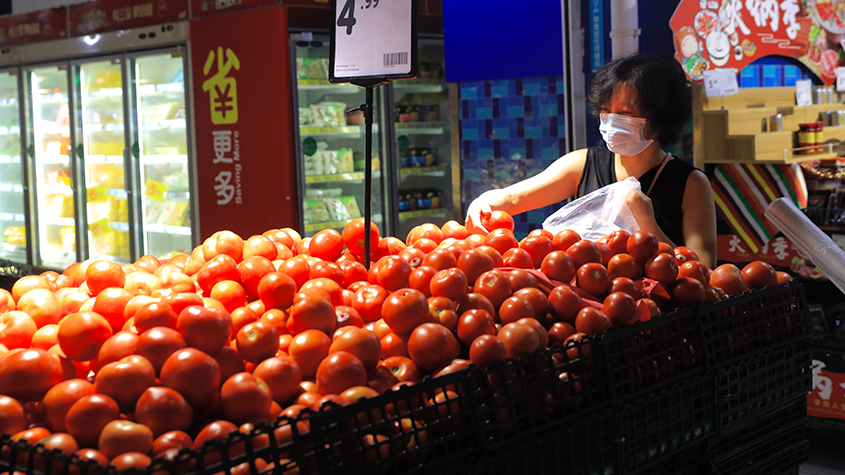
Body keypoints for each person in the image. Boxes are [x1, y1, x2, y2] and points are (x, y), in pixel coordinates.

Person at [465, 54, 717, 268]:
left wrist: (647, 222)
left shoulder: (690, 183)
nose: (611, 119)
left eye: (625, 112)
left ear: (661, 117)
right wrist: (484, 202)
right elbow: (514, 198)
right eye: (606, 110)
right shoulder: (582, 164)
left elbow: (703, 271)